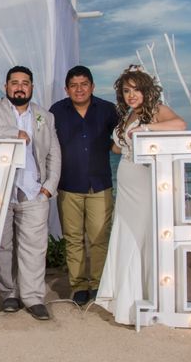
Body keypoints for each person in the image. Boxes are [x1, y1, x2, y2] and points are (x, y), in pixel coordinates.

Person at [95, 65, 186, 325]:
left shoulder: (156, 110)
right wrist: (119, 142)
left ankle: (144, 299)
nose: (131, 95)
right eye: (126, 90)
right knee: (124, 234)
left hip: (145, 183)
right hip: (126, 181)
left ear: (146, 90)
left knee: (141, 237)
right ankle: (124, 300)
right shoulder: (127, 116)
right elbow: (117, 146)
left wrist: (147, 130)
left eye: (136, 89)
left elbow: (180, 124)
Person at [0, 66, 61, 320]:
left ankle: (33, 297)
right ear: (6, 86)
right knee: (1, 245)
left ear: (32, 87)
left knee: (35, 246)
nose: (20, 87)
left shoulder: (45, 116)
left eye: (25, 83)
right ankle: (9, 293)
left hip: (33, 191)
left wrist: (49, 187)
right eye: (15, 83)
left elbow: (54, 153)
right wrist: (14, 133)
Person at [49, 66, 118, 306]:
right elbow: (46, 145)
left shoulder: (108, 110)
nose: (79, 89)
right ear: (66, 89)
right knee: (73, 239)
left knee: (99, 238)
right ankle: (79, 286)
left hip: (100, 185)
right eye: (74, 85)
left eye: (84, 84)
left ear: (92, 86)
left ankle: (98, 284)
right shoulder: (57, 111)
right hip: (68, 186)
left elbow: (122, 136)